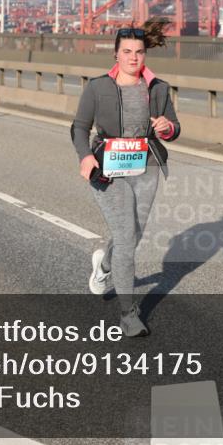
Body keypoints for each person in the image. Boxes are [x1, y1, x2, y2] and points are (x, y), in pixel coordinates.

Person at [70, 20, 181, 337]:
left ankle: (105, 265)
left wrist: (167, 128)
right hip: (108, 168)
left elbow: (174, 127)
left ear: (145, 54)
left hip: (146, 166)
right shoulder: (98, 88)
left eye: (139, 52)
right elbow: (79, 127)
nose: (133, 57)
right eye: (127, 51)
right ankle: (128, 315)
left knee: (133, 234)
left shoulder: (158, 88)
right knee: (126, 238)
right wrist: (85, 156)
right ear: (116, 54)